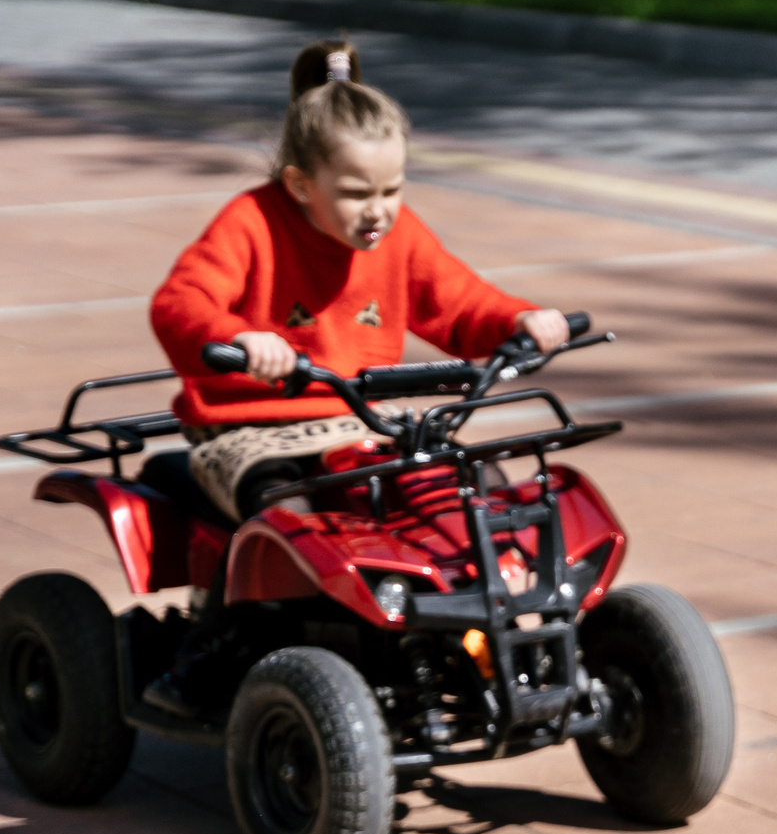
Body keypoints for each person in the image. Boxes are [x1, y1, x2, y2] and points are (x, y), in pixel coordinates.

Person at [140, 39, 574, 716]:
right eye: (355, 194)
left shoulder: (396, 238)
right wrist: (240, 338)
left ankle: (489, 634)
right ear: (299, 185)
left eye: (393, 190)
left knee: (468, 490)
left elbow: (459, 303)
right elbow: (178, 305)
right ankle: (210, 654)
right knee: (287, 521)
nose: (379, 211)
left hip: (358, 419)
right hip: (248, 429)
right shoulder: (251, 223)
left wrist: (523, 320)